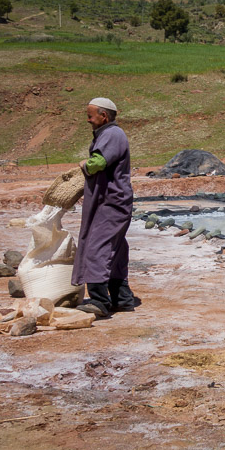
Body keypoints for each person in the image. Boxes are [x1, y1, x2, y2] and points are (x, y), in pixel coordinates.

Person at [74, 97, 139, 318]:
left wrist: (84, 164)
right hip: (114, 202)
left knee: (97, 247)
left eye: (91, 116)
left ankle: (99, 301)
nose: (88, 120)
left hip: (111, 203)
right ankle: (122, 299)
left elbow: (98, 164)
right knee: (115, 249)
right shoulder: (112, 134)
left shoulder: (112, 134)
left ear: (104, 116)